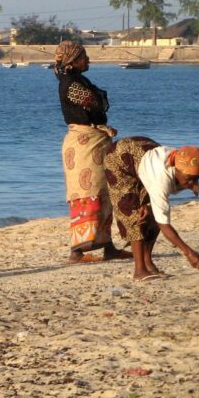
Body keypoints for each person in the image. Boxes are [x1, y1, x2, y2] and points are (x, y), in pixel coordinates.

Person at [54, 41, 129, 263]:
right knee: (88, 193)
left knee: (104, 192)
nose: (88, 60)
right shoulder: (71, 83)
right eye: (84, 57)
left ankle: (108, 246)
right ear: (73, 60)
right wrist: (99, 99)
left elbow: (97, 103)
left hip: (93, 140)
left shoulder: (76, 80)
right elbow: (96, 102)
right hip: (84, 144)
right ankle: (77, 251)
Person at [104, 138, 199, 280]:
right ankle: (139, 270)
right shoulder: (160, 179)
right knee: (133, 213)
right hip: (119, 159)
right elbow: (164, 224)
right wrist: (188, 252)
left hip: (143, 156)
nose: (191, 183)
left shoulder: (183, 164)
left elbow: (188, 177)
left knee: (151, 214)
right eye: (189, 179)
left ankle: (148, 262)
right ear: (176, 169)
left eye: (196, 178)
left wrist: (192, 182)